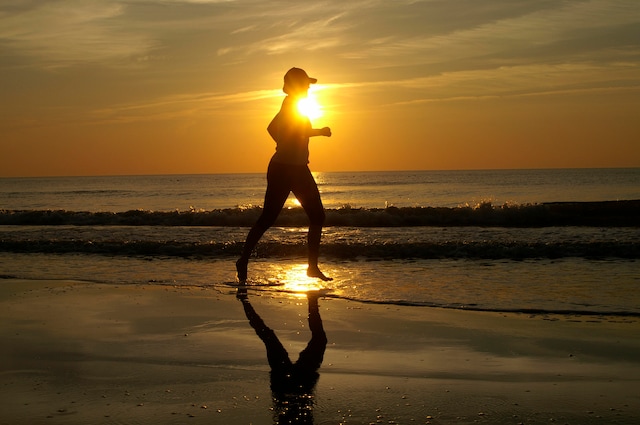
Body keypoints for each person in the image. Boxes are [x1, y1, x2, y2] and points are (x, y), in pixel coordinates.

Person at [236, 67, 333, 284]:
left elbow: (271, 127)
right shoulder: (292, 105)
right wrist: (321, 131)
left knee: (317, 216)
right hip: (284, 168)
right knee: (269, 217)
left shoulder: (293, 105)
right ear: (297, 85)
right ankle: (243, 260)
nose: (309, 87)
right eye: (306, 84)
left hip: (295, 167)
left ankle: (312, 267)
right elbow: (298, 131)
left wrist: (282, 144)